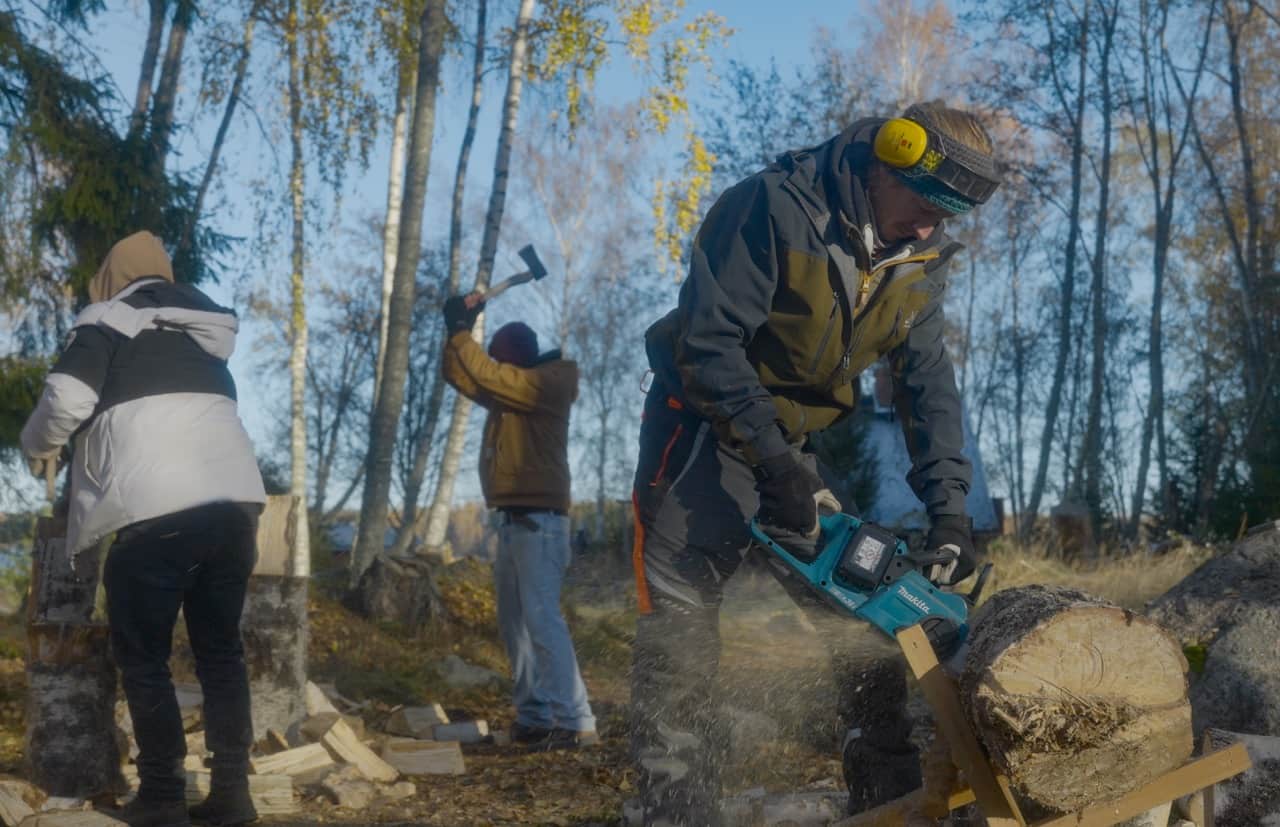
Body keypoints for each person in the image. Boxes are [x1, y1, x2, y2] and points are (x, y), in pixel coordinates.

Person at [629, 101, 1001, 825]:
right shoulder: (772, 208)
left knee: (870, 612)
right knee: (681, 624)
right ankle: (674, 806)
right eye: (922, 204)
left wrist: (951, 511)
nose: (928, 227)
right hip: (703, 429)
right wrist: (770, 461)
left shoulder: (916, 260)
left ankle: (889, 800)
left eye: (945, 216)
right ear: (886, 161)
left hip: (794, 447)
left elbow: (928, 386)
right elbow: (709, 344)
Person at [21, 231, 267, 827]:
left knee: (146, 659)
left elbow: (67, 396)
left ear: (112, 277)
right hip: (235, 510)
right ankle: (233, 794)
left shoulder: (107, 319)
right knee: (220, 654)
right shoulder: (207, 344)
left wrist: (37, 444)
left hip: (156, 515)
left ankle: (161, 795)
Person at [440, 295, 597, 750]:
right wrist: (454, 333)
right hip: (512, 523)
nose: (492, 367)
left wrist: (461, 335)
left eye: (498, 359)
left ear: (514, 359)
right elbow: (462, 375)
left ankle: (576, 719)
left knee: (543, 620)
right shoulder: (513, 389)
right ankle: (536, 715)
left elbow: (487, 374)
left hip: (541, 524)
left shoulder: (549, 382)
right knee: (516, 625)